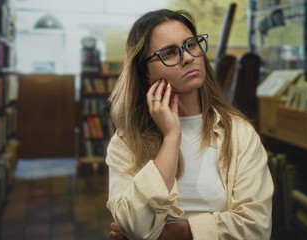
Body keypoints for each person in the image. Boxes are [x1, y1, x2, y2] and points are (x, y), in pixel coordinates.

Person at [106, 8, 274, 240]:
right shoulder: (126, 141)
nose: (187, 57)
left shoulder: (239, 132)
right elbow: (134, 224)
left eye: (191, 45)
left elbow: (256, 227)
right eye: (170, 52)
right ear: (144, 73)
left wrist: (174, 233)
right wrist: (172, 136)